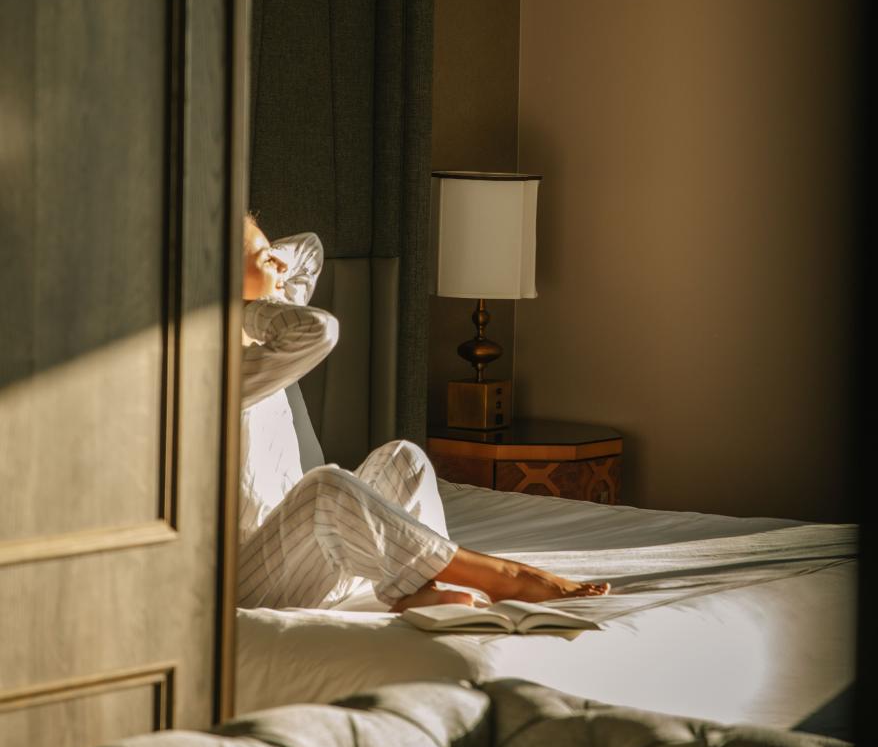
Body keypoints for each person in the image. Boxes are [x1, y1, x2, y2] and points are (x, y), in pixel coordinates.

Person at [237, 215, 610, 613]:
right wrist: (231, 305)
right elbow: (318, 331)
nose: (281, 266)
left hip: (307, 561)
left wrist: (258, 269)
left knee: (404, 458)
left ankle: (415, 586)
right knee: (325, 490)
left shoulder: (264, 345)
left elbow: (309, 249)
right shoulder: (213, 373)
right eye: (266, 259)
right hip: (248, 585)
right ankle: (503, 577)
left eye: (277, 255)